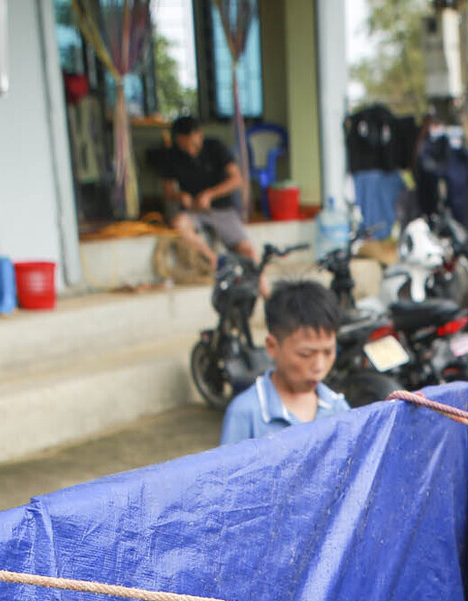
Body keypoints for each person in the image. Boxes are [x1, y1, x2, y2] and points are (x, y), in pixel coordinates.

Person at [220, 281, 349, 445]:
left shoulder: (338, 408)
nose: (319, 367)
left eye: (328, 352)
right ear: (272, 346)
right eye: (306, 354)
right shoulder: (246, 413)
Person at [150, 116, 256, 272]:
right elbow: (167, 192)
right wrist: (180, 196)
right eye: (184, 145)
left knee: (248, 252)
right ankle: (213, 260)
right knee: (179, 223)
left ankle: (264, 290)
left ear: (200, 134)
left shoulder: (216, 147)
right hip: (194, 212)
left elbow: (237, 180)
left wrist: (209, 194)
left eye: (192, 144)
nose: (189, 149)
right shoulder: (172, 155)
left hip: (222, 210)